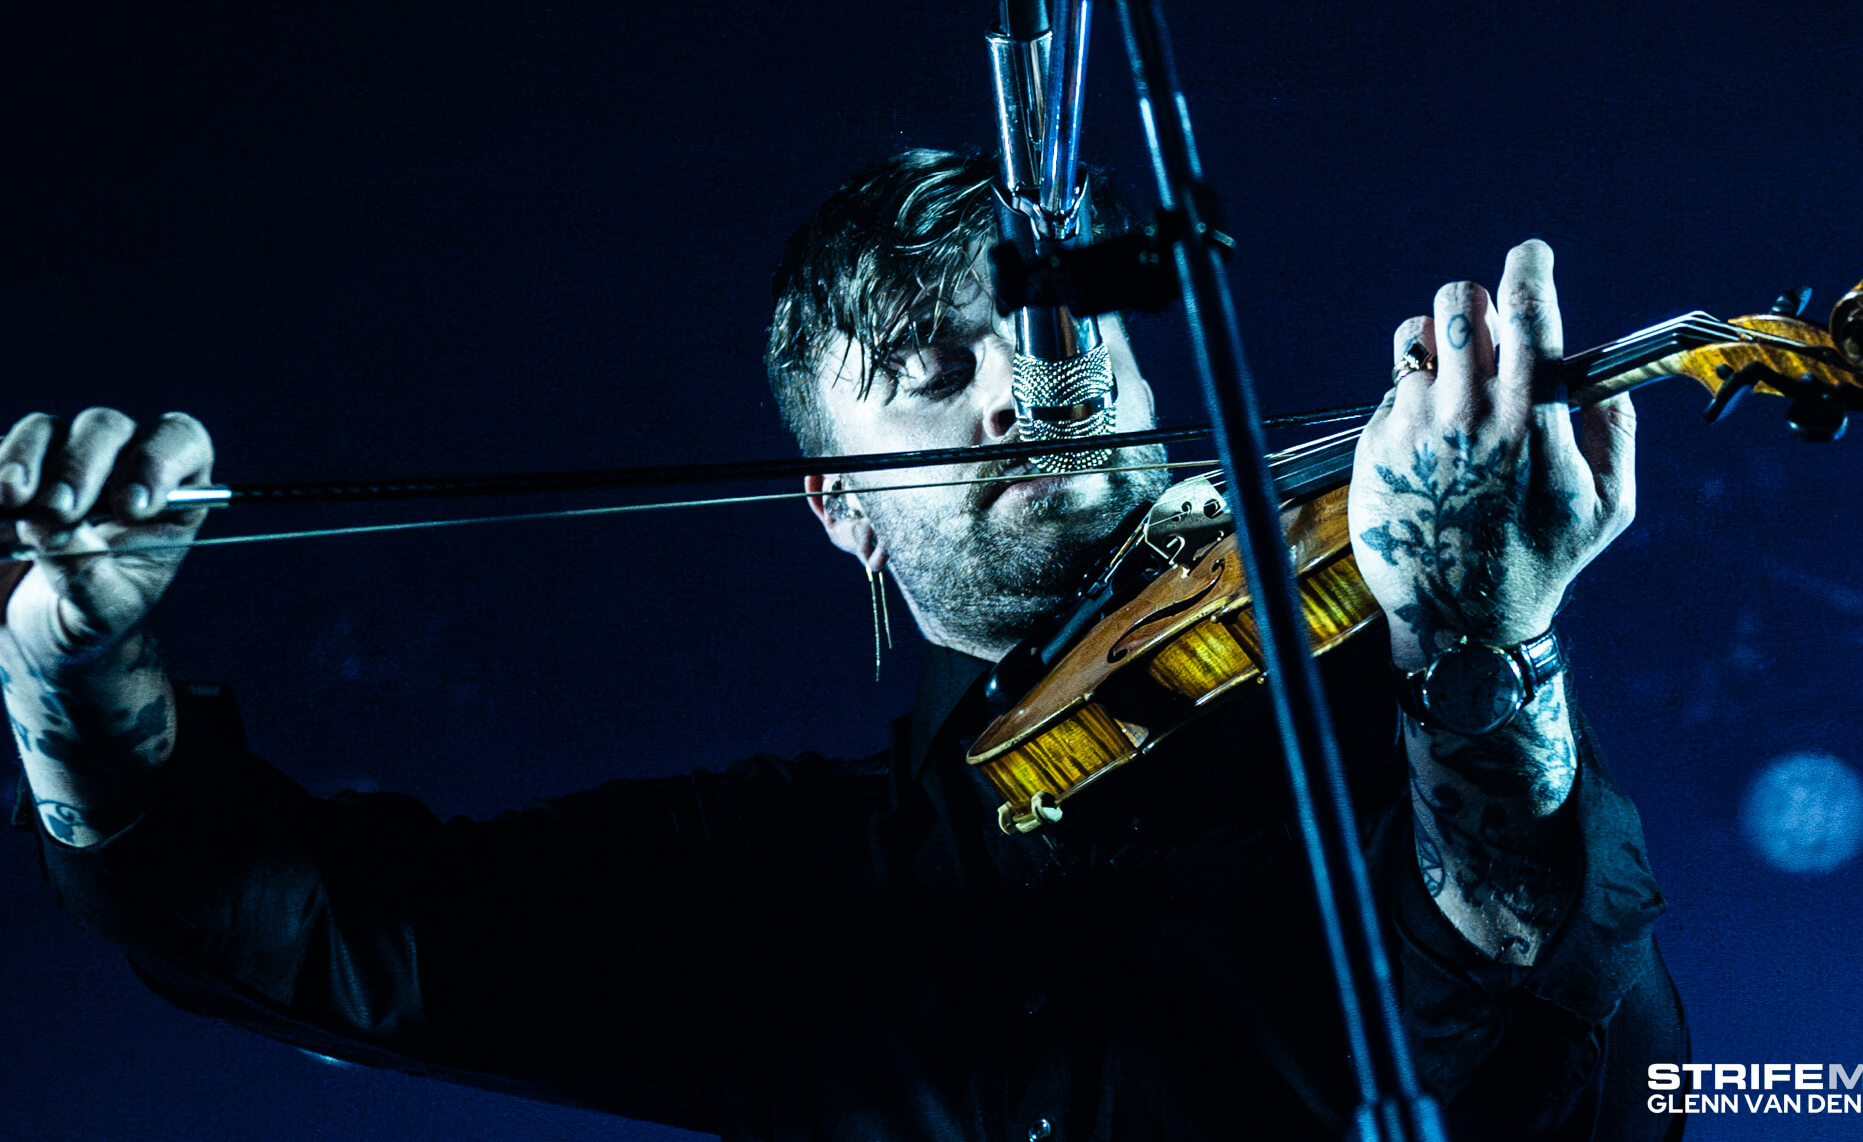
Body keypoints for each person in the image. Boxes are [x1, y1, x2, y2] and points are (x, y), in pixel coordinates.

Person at [5, 150, 1684, 1140]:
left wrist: (1475, 640)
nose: (1036, 376)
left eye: (1064, 319)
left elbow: (1514, 997)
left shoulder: (1360, 682)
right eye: (935, 364)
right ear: (836, 506)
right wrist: (74, 672)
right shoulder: (809, 877)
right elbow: (326, 931)